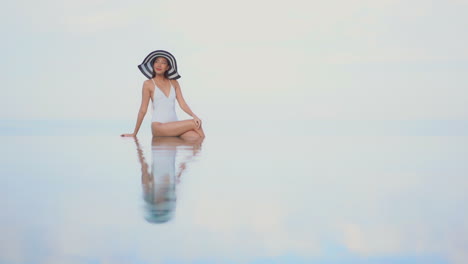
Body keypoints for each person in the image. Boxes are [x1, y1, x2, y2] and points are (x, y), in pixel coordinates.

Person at [121, 50, 205, 140]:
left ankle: (189, 153)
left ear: (167, 67)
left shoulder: (174, 83)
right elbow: (143, 110)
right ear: (153, 65)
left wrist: (194, 115)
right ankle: (205, 153)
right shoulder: (148, 84)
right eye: (156, 62)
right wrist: (134, 133)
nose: (159, 65)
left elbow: (182, 104)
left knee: (196, 137)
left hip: (174, 126)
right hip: (158, 127)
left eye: (163, 63)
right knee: (195, 123)